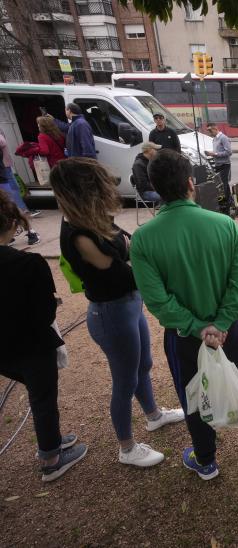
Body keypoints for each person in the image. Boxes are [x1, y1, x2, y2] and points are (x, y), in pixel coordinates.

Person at [130, 150, 238, 480]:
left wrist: (197, 327)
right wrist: (223, 322)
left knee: (194, 396)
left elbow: (157, 300)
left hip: (185, 337)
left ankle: (206, 460)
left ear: (155, 188)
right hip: (230, 330)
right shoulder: (225, 224)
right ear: (191, 183)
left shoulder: (143, 238)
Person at [51, 158, 183, 468]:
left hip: (128, 304)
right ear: (85, 191)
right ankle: (126, 448)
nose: (109, 189)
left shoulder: (94, 218)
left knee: (144, 364)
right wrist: (154, 266)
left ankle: (153, 415)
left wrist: (142, 250)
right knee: (124, 381)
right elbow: (126, 273)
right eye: (100, 186)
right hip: (111, 314)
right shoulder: (79, 234)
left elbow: (130, 242)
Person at [0, 192, 87, 482]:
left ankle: (54, 439)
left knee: (38, 394)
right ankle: (51, 458)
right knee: (42, 397)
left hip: (3, 351)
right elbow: (46, 310)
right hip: (32, 345)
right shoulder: (29, 264)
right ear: (13, 223)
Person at [0, 128, 40, 245]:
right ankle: (6, 234)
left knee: (12, 206)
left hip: (1, 179)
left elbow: (2, 142)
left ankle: (31, 232)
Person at [205, 122, 232, 194]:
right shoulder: (214, 139)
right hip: (218, 164)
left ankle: (226, 202)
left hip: (224, 164)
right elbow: (217, 151)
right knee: (222, 184)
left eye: (210, 130)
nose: (209, 132)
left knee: (223, 184)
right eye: (208, 131)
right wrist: (211, 153)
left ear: (215, 128)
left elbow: (229, 152)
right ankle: (229, 200)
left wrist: (215, 154)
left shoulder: (223, 138)